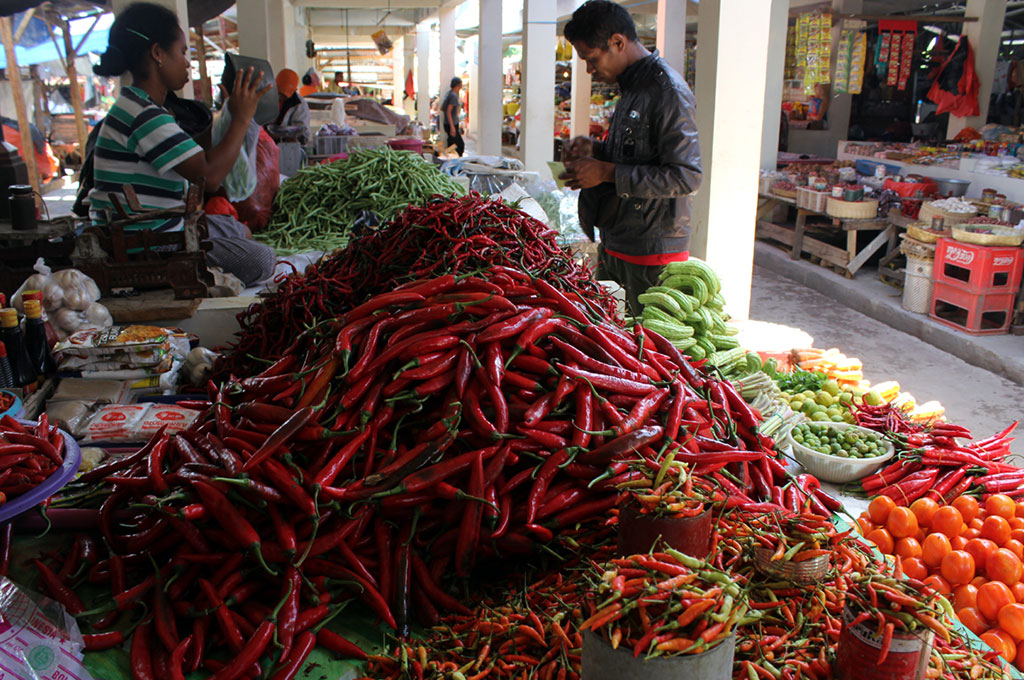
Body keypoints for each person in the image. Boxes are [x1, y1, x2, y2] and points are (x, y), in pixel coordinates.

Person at [88, 1, 275, 287]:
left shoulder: (137, 107)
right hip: (150, 243)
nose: (187, 62)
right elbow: (209, 177)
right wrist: (240, 119)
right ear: (158, 54)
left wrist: (226, 116)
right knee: (262, 261)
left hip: (159, 227)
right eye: (182, 52)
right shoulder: (145, 116)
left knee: (237, 229)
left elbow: (191, 153)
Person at [561, 0, 702, 317]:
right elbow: (638, 154)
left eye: (592, 59)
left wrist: (607, 171)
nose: (590, 69)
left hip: (651, 254)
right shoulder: (633, 87)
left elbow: (686, 176)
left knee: (646, 354)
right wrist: (594, 151)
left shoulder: (667, 90)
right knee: (605, 339)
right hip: (618, 241)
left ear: (618, 42)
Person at [273, 68, 311, 144]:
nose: (281, 97)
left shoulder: (300, 105)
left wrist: (292, 136)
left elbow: (303, 131)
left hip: (289, 146)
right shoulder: (265, 98)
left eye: (284, 95)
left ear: (294, 90)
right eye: (279, 93)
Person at [440, 77, 464, 157]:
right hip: (452, 124)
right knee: (459, 146)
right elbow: (448, 110)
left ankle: (449, 160)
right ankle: (455, 162)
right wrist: (452, 127)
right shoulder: (454, 96)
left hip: (447, 123)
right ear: (458, 85)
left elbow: (443, 108)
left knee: (451, 145)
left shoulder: (448, 94)